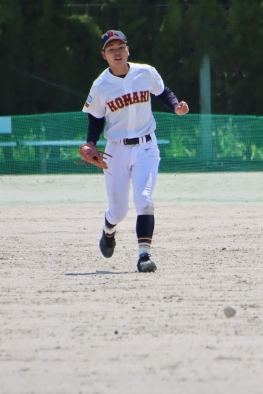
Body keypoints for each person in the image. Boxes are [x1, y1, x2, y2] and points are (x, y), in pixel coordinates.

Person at [82, 30, 189, 272]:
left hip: (146, 147)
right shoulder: (100, 85)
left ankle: (144, 256)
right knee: (119, 211)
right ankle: (108, 230)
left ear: (128, 50)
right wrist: (91, 143)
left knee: (144, 199)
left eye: (121, 47)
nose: (117, 52)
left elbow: (163, 92)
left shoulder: (145, 73)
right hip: (116, 151)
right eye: (111, 49)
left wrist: (176, 107)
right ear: (104, 55)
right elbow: (95, 119)